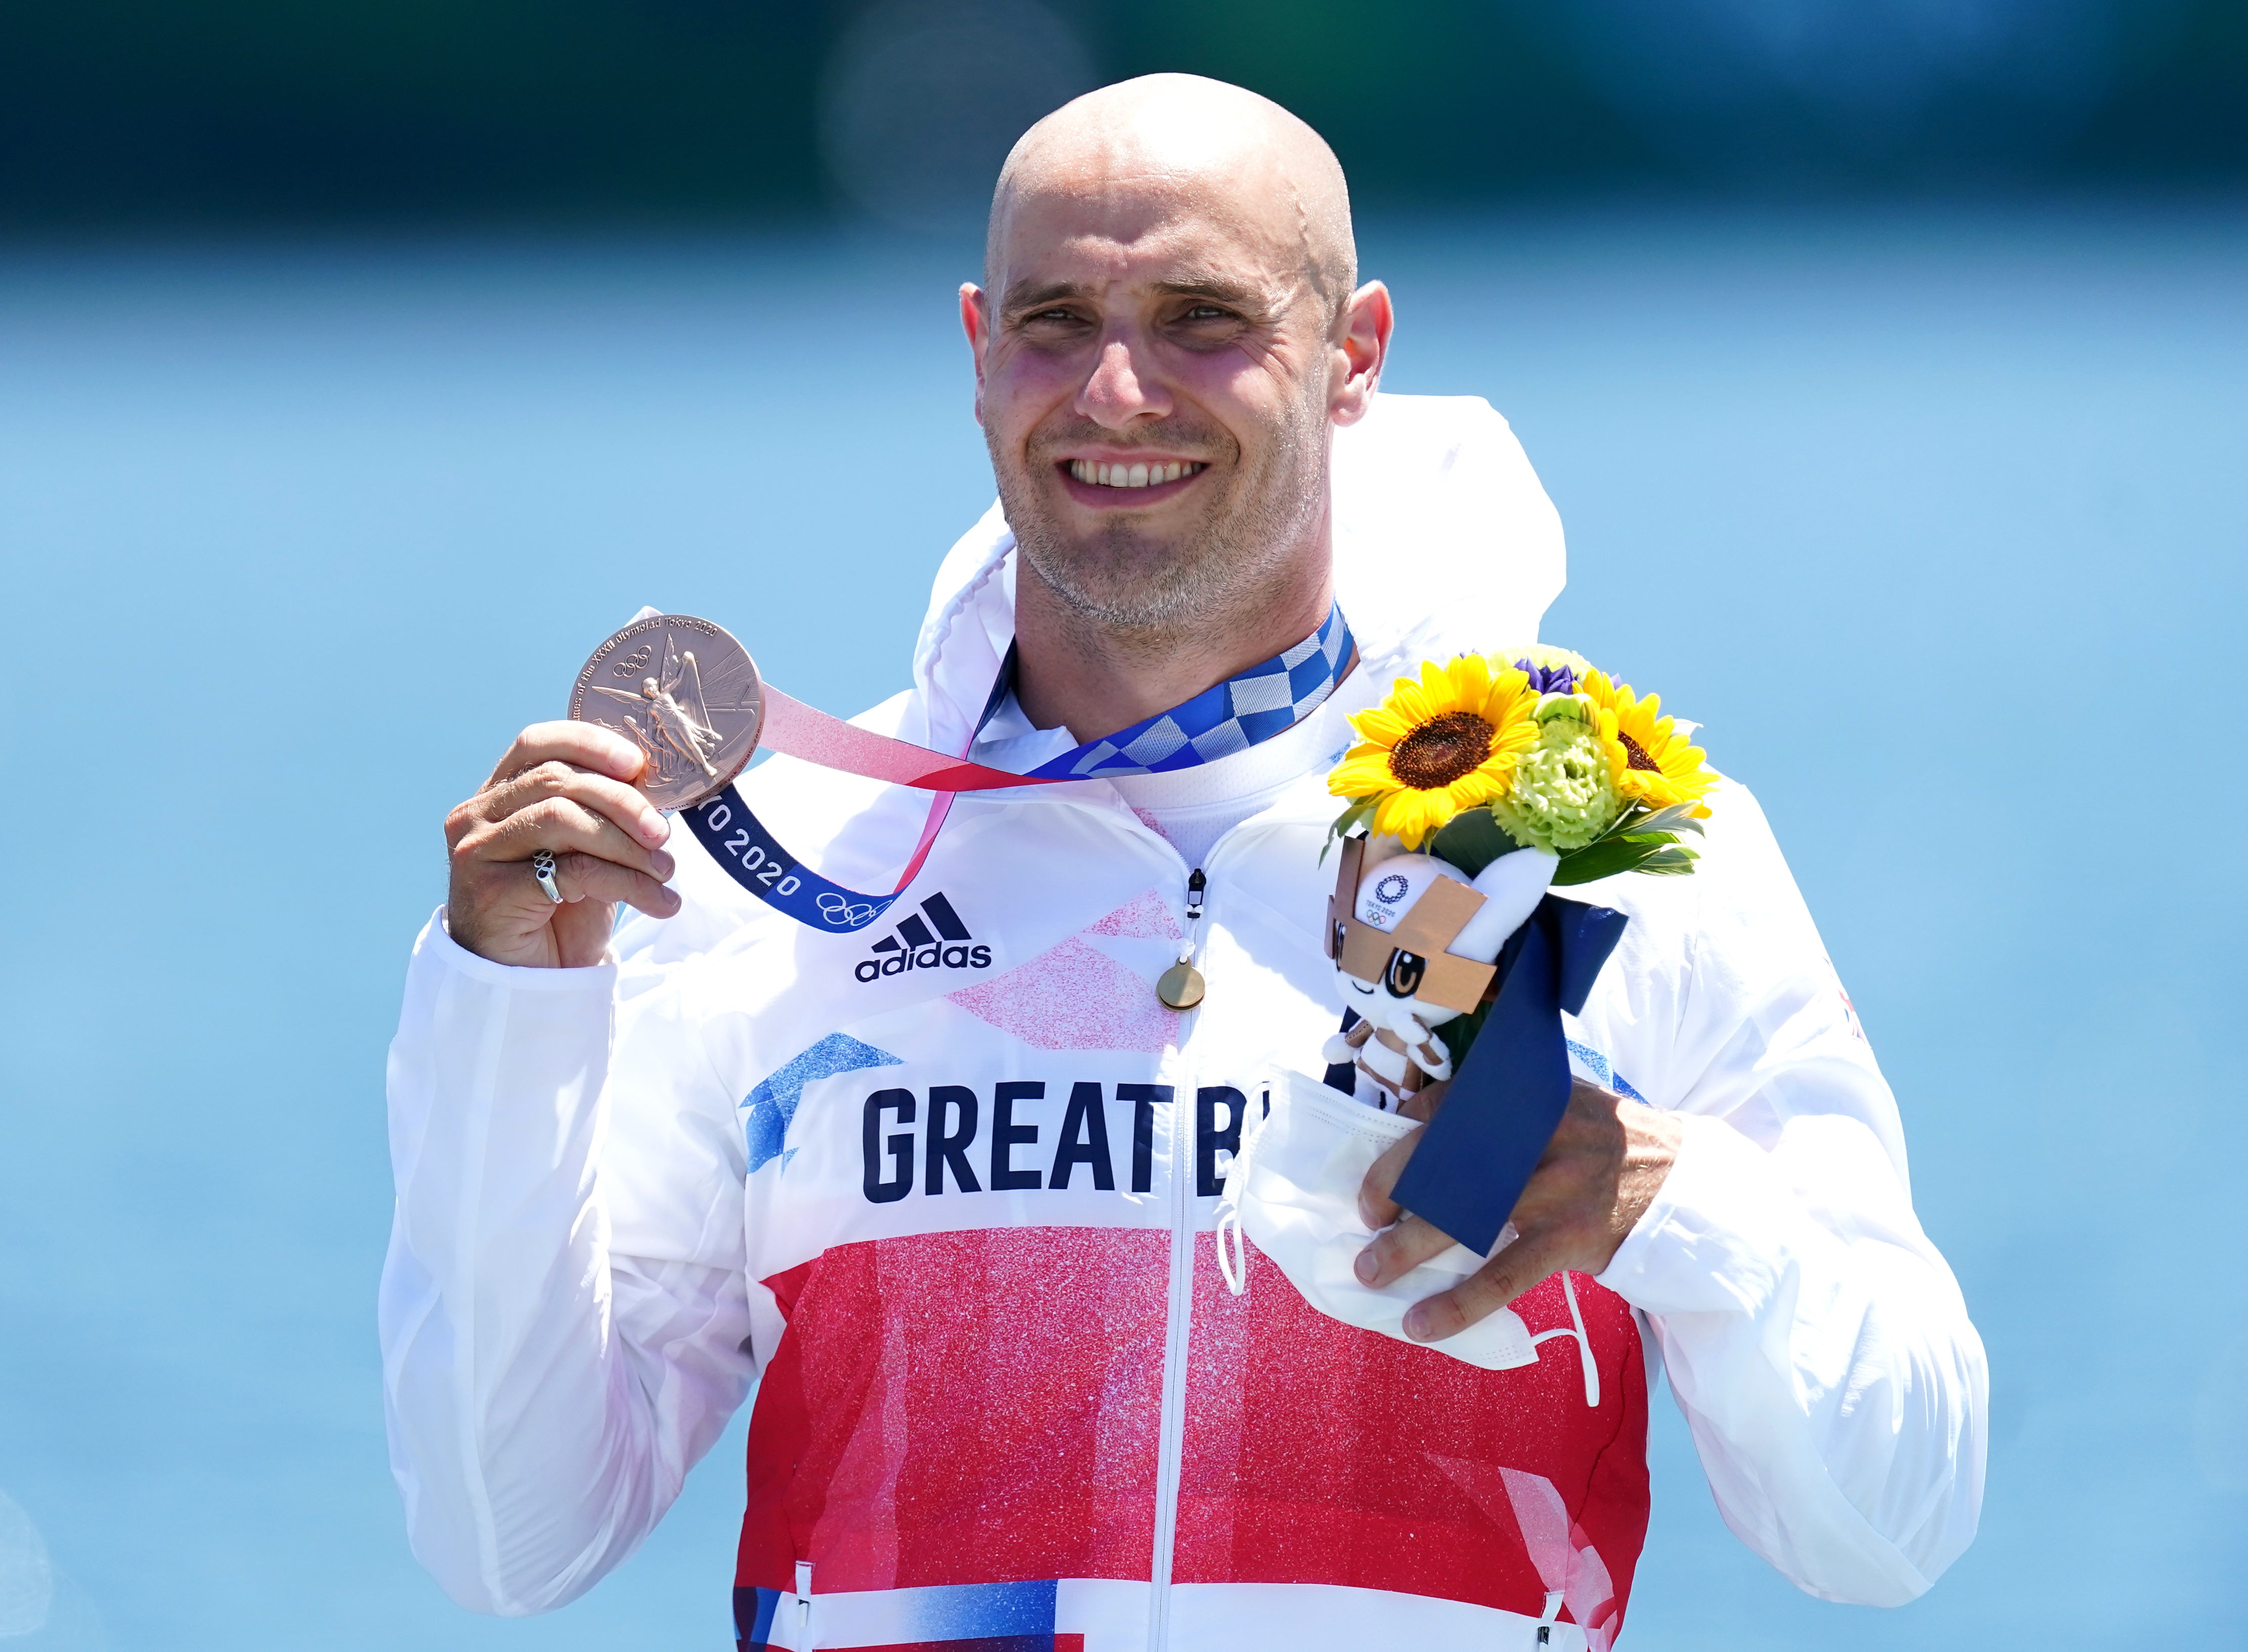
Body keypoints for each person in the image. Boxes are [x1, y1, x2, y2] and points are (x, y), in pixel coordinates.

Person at [382, 74, 1987, 1650]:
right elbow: (510, 1539)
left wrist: (1674, 1199)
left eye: (1203, 320)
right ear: (977, 348)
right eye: (1057, 322)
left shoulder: (1617, 848)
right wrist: (505, 1008)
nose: (1116, 394)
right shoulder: (780, 865)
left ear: (1354, 354)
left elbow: (1899, 1520)